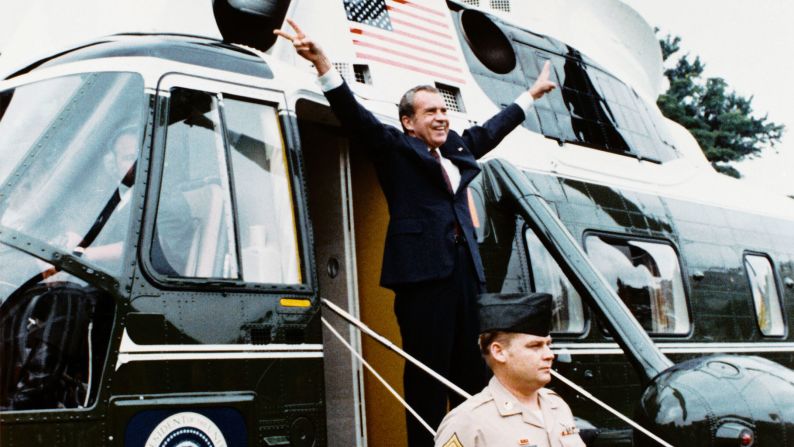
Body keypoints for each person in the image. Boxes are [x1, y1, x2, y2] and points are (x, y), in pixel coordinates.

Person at [275, 19, 556, 446]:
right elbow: (355, 117)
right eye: (431, 112)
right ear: (408, 122)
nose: (442, 117)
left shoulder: (459, 148)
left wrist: (530, 96)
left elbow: (492, 130)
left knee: (473, 374)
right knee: (427, 376)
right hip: (423, 279)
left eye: (444, 110)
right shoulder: (394, 149)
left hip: (467, 278)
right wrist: (322, 64)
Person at [435, 293, 586, 447]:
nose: (549, 355)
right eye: (535, 346)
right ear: (499, 352)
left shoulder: (557, 406)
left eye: (548, 345)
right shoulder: (468, 422)